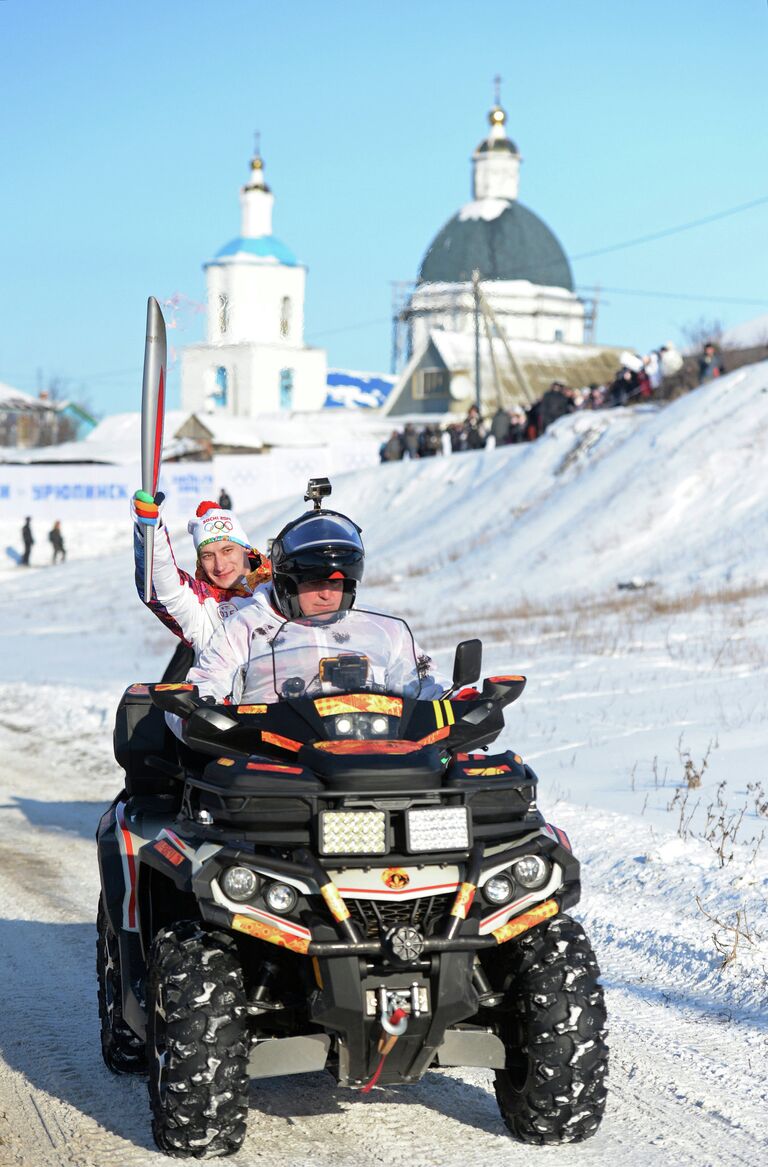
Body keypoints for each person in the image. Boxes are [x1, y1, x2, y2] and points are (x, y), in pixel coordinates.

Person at [184, 501, 449, 708]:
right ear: (287, 585)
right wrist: (202, 707)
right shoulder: (246, 627)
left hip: (371, 748)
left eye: (336, 584)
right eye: (313, 584)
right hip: (272, 752)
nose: (327, 595)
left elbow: (424, 678)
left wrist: (455, 696)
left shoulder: (381, 629)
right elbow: (207, 682)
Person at [132, 493, 271, 680]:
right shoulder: (201, 605)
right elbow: (163, 587)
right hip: (224, 708)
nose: (220, 565)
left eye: (227, 550)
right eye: (207, 556)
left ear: (245, 548)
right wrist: (150, 532)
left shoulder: (280, 586)